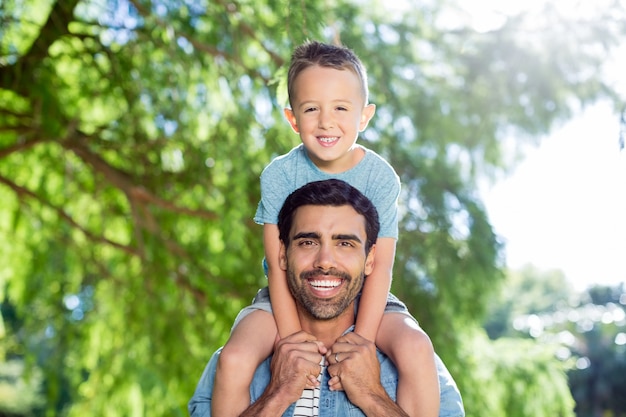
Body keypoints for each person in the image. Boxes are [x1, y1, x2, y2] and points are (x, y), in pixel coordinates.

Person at [212, 40, 437, 416]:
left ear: (364, 117)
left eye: (341, 108)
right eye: (312, 109)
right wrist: (292, 339)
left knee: (415, 347)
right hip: (284, 295)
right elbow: (278, 264)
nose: (326, 121)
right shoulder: (280, 175)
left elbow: (380, 265)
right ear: (293, 118)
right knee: (235, 357)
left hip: (368, 295)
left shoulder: (380, 177)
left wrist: (361, 341)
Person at [189, 179, 465, 416]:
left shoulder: (416, 369)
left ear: (370, 260)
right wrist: (277, 394)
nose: (324, 261)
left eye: (345, 243)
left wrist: (373, 397)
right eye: (308, 242)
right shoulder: (236, 365)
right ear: (283, 254)